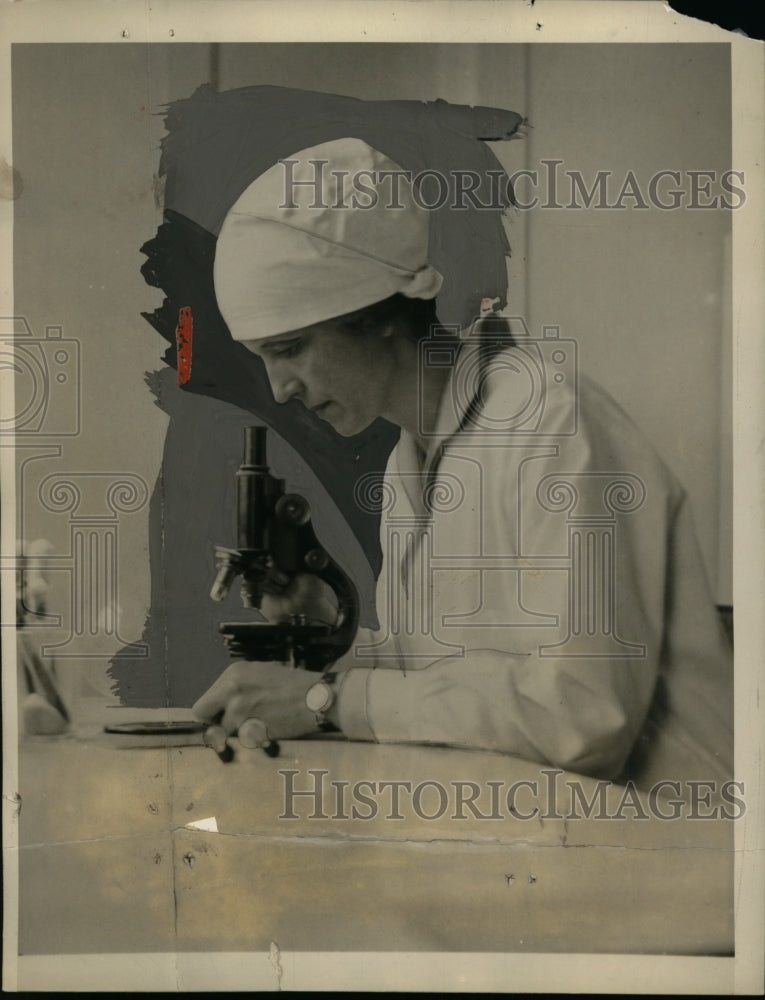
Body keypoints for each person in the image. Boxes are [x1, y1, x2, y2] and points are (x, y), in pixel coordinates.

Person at [192, 137, 732, 790]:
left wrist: (323, 701)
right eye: (263, 358)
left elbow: (582, 714)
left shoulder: (547, 422)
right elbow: (443, 679)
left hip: (671, 846)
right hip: (536, 833)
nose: (280, 388)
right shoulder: (412, 458)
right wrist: (325, 629)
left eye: (290, 348)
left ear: (374, 314)